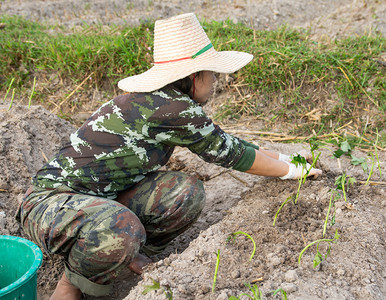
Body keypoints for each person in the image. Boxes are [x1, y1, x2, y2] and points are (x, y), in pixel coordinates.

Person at [16, 13, 322, 300]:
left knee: (184, 193)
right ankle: (72, 283)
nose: (215, 82)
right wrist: (292, 171)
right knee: (120, 227)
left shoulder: (166, 102)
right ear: (194, 75)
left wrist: (290, 160)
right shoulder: (173, 110)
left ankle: (118, 252)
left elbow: (230, 143)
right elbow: (233, 155)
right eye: (212, 73)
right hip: (50, 204)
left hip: (101, 200)